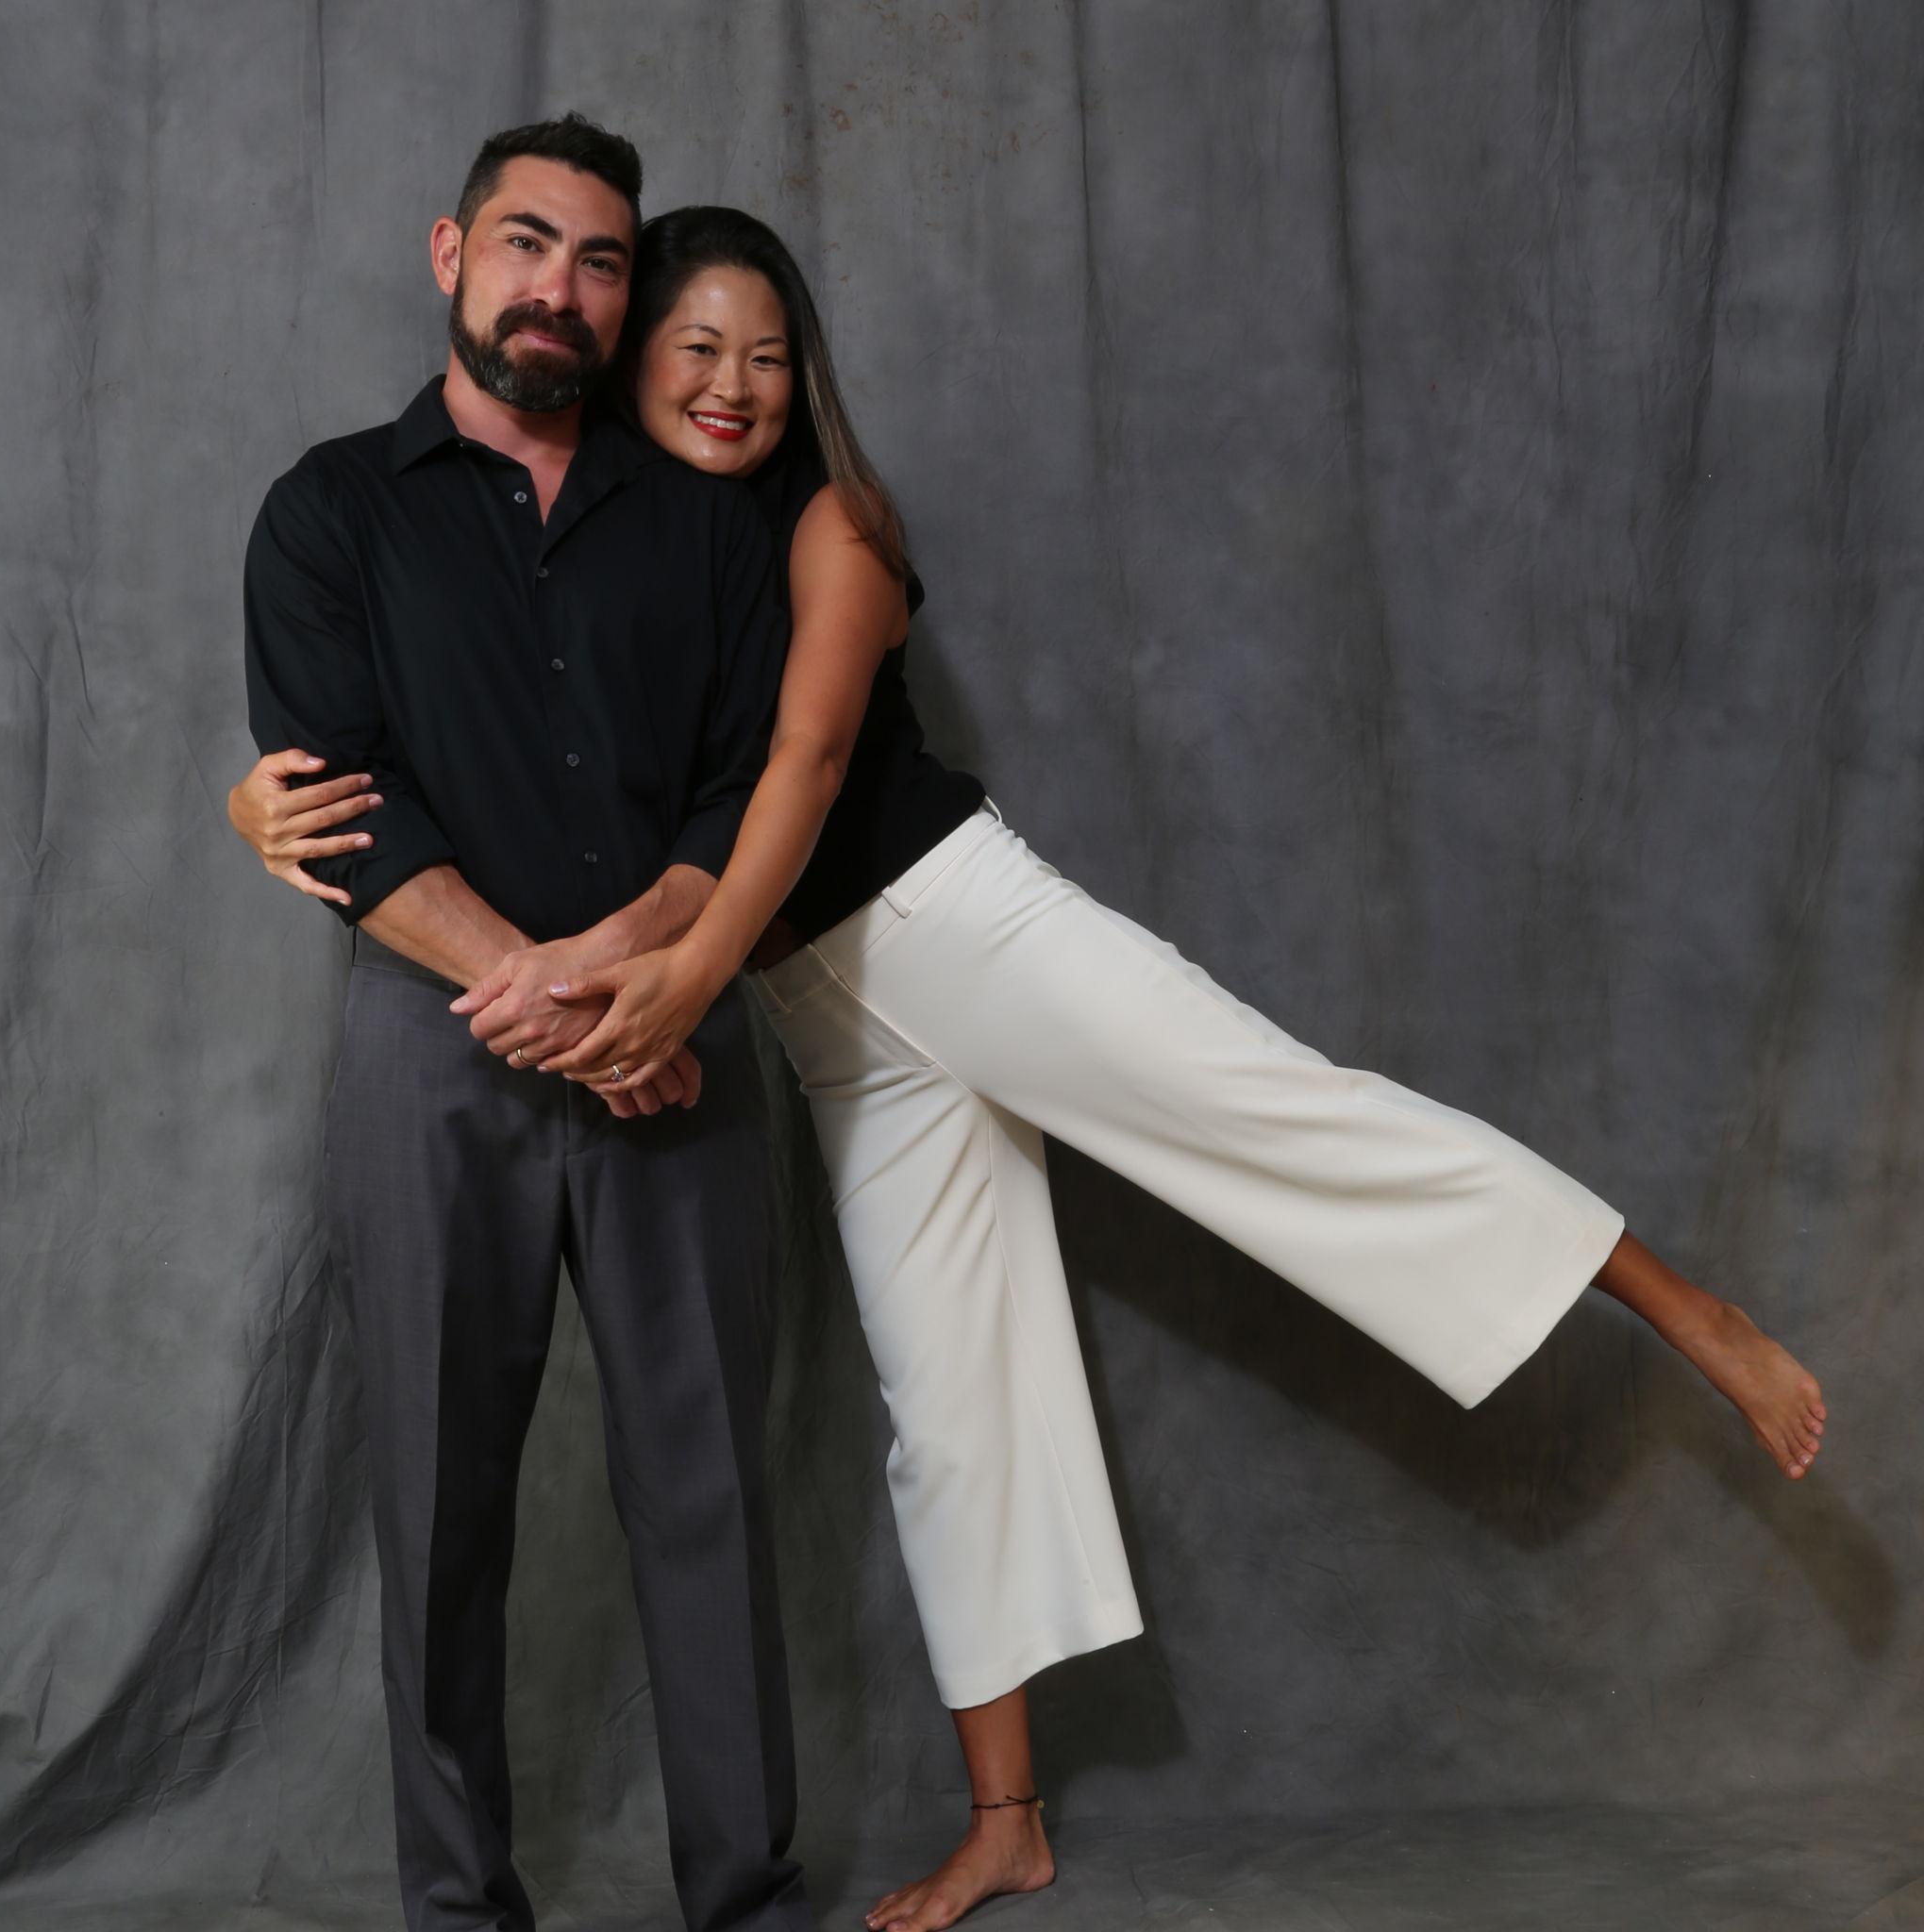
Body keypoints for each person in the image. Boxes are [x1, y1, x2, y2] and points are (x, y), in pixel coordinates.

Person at [232, 205, 1830, 1932]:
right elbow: (496, 750)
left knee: (1276, 1114)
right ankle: (1008, 1821)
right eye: (694, 350)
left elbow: (803, 769)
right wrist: (261, 801)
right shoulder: (622, 540)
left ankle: (1685, 1310)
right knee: (956, 1397)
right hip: (827, 1015)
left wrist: (674, 980)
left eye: (766, 357)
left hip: (956, 928)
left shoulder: (831, 523)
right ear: (629, 361)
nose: (730, 387)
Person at [239, 137, 809, 1932]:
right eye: (525, 244)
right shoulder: (331, 510)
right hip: (434, 1063)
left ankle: (746, 1900)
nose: (558, 287)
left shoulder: (710, 527)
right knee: (435, 1510)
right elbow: (340, 814)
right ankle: (458, 1911)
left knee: (709, 1495)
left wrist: (637, 983)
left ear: (625, 296)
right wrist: (569, 1013)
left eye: (601, 261)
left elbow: (742, 797)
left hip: (681, 1039)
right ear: (451, 253)